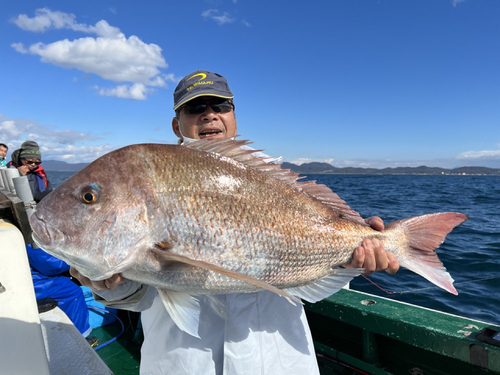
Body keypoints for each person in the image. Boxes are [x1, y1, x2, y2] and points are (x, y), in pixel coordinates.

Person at [71, 70, 399, 374]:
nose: (209, 113)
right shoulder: (148, 181)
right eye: (194, 107)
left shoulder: (278, 180)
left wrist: (352, 262)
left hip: (276, 362)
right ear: (176, 125)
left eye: (220, 105)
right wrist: (104, 281)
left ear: (233, 116)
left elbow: (313, 276)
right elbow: (137, 296)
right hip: (183, 362)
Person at [9, 141, 97, 346]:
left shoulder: (22, 217)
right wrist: (76, 263)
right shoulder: (28, 228)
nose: (33, 164)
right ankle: (83, 338)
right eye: (30, 161)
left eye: (36, 161)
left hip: (24, 272)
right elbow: (50, 265)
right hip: (34, 282)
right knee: (72, 290)